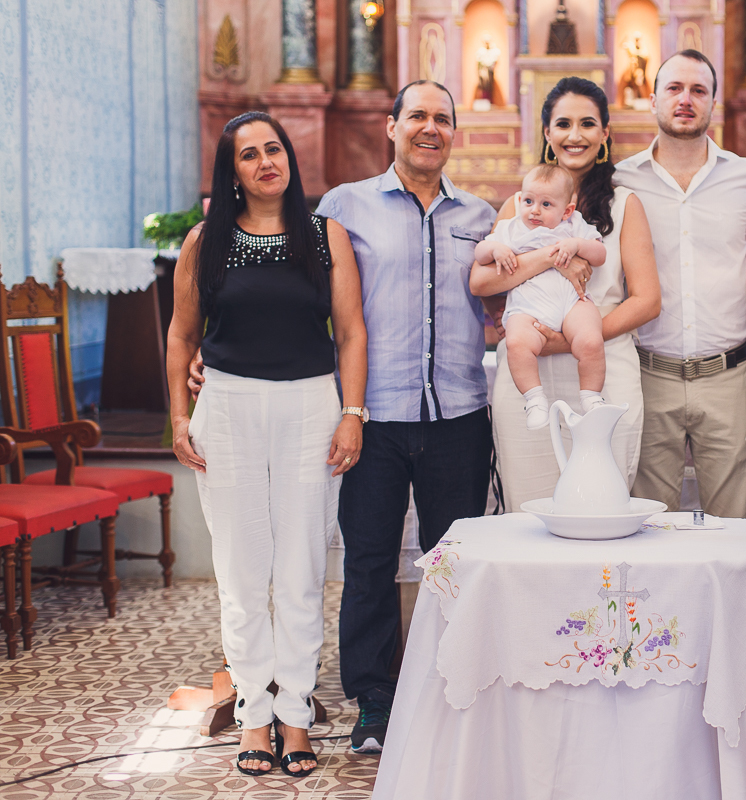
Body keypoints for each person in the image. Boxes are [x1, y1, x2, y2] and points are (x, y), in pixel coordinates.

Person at [166, 111, 368, 778]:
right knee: (244, 572)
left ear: (288, 157)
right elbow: (180, 335)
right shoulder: (206, 241)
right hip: (226, 409)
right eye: (248, 155)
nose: (264, 162)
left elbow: (351, 332)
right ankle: (254, 716)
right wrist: (177, 417)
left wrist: (352, 413)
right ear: (233, 172)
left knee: (303, 571)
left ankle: (296, 718)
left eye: (272, 149)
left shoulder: (324, 235)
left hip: (311, 406)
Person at [316, 81, 497, 753]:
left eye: (442, 119)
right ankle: (374, 701)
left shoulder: (482, 214)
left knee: (452, 562)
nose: (430, 127)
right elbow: (329, 311)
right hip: (377, 415)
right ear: (391, 127)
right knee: (369, 561)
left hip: (458, 414)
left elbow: (500, 304)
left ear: (454, 133)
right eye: (416, 116)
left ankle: (452, 687)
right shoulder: (345, 206)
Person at [471, 76, 661, 509]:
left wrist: (569, 341)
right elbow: (481, 282)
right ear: (547, 134)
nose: (575, 135)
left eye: (588, 124)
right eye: (563, 124)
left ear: (605, 134)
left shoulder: (624, 203)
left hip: (602, 365)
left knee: (602, 509)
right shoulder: (521, 206)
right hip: (528, 372)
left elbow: (647, 300)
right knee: (529, 510)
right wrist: (549, 257)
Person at [614, 49, 746, 520]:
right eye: (675, 88)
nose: (686, 99)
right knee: (646, 526)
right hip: (648, 376)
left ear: (712, 104)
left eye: (698, 90)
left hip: (727, 378)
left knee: (732, 528)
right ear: (653, 99)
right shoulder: (622, 180)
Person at [475, 163, 609, 428]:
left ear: (567, 210)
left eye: (546, 204)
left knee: (592, 340)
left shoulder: (574, 226)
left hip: (571, 302)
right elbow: (480, 253)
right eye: (528, 201)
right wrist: (494, 250)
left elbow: (600, 255)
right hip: (528, 308)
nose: (534, 210)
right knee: (517, 344)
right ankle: (534, 398)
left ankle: (592, 396)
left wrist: (577, 245)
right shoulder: (512, 228)